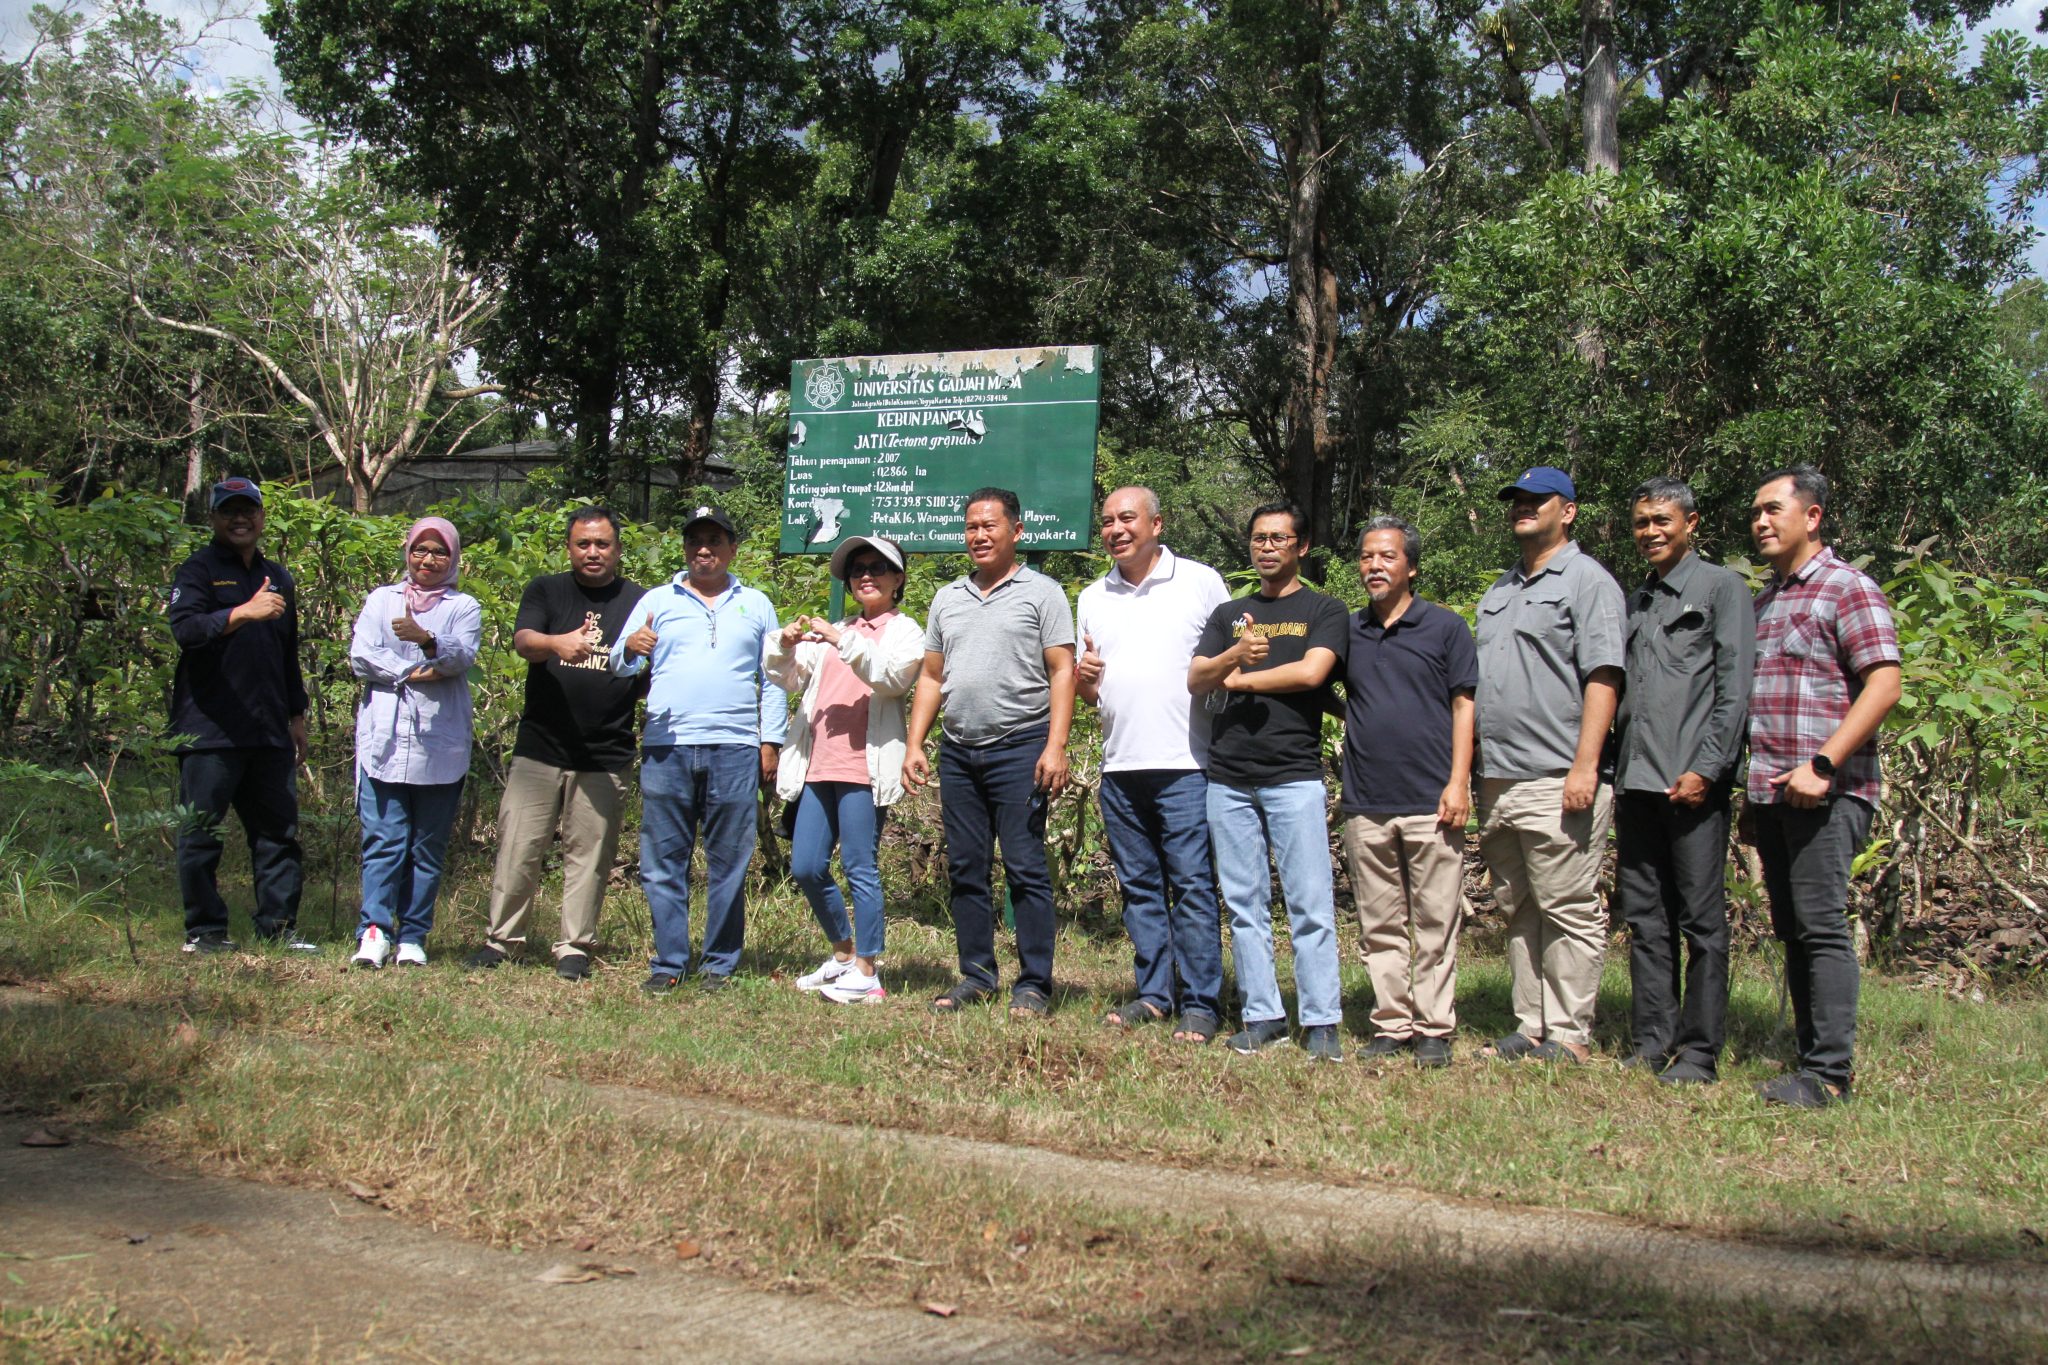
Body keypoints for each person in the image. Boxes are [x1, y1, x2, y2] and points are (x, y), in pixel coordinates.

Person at [1747, 465, 1901, 1108]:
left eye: (1773, 509)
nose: (1760, 521)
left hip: (1827, 792)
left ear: (1812, 517)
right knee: (1793, 926)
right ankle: (1810, 1060)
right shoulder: (1765, 602)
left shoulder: (1846, 589)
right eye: (1755, 512)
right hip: (1773, 793)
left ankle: (1830, 1073)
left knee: (1820, 926)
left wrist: (1825, 764)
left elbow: (1885, 683)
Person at [905, 488, 1076, 1019]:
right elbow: (933, 675)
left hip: (1021, 746)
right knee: (966, 868)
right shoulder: (947, 597)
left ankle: (1034, 984)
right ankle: (976, 975)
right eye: (971, 527)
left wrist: (1056, 745)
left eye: (990, 526)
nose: (979, 535)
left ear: (1016, 532)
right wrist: (916, 742)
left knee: (1026, 869)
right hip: (959, 751)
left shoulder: (1042, 593)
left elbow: (1062, 669)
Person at [1474, 466, 1626, 1064]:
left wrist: (1586, 765)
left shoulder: (1588, 582)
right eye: (1516, 500)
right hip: (1499, 779)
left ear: (1568, 511)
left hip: (1558, 775)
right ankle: (1530, 1023)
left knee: (1567, 905)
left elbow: (1604, 675)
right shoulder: (1500, 591)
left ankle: (1569, 1033)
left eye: (1537, 500)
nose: (1523, 508)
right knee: (1519, 906)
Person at [1188, 501, 1348, 1062]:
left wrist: (1242, 678)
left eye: (1279, 538)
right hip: (1228, 778)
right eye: (1259, 538)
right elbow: (1196, 677)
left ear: (1301, 547)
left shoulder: (1326, 609)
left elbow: (1313, 672)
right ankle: (1262, 1013)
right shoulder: (1230, 613)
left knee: (1309, 904)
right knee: (1243, 903)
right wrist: (1233, 654)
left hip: (1292, 776)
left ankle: (1322, 1019)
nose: (1267, 547)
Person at [1076, 487, 1231, 1042]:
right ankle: (1155, 994)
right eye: (1108, 521)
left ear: (1157, 523)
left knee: (1191, 885)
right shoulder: (1092, 596)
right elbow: (1091, 691)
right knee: (1139, 887)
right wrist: (1086, 682)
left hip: (1186, 762)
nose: (1116, 529)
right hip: (1120, 765)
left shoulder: (1201, 582)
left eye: (1128, 518)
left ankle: (1201, 1002)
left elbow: (1226, 666)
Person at [1614, 477, 1755, 1084]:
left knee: (1701, 923)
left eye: (1662, 520)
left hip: (1692, 785)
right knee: (1645, 920)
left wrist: (1708, 769)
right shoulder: (1637, 599)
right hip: (1635, 782)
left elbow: (1734, 690)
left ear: (1691, 524)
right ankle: (1653, 1038)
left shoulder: (1722, 588)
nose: (1650, 532)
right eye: (1642, 521)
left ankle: (1699, 1052)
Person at [466, 507, 647, 981]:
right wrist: (557, 643)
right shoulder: (546, 589)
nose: (593, 552)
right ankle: (503, 940)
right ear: (569, 548)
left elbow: (654, 665)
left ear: (618, 550)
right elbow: (524, 640)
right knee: (518, 846)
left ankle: (574, 946)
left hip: (606, 751)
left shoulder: (640, 601)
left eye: (602, 544)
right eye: (583, 544)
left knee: (590, 854)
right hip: (541, 746)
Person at [613, 505, 785, 993]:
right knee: (663, 858)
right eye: (695, 541)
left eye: (714, 540)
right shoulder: (656, 601)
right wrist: (630, 648)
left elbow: (773, 678)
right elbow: (618, 665)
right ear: (685, 548)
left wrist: (769, 741)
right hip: (667, 746)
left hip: (734, 747)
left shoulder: (756, 603)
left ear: (733, 548)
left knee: (729, 859)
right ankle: (669, 962)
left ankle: (719, 964)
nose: (703, 549)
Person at [1337, 516, 1477, 1068]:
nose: (1375, 565)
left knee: (1437, 921)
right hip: (1367, 800)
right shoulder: (1348, 629)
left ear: (1411, 566)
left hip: (1432, 798)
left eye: (1387, 556)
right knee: (1379, 923)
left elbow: (1464, 705)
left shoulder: (1445, 628)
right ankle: (1392, 1024)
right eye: (1367, 556)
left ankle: (1435, 1027)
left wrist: (1458, 781)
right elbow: (1321, 682)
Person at [765, 534, 926, 1005]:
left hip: (865, 767)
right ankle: (841, 956)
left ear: (898, 579)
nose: (866, 575)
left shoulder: (905, 631)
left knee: (860, 866)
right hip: (818, 765)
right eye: (858, 569)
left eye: (878, 568)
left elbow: (892, 679)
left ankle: (868, 972)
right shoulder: (837, 629)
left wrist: (844, 639)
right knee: (807, 866)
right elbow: (786, 677)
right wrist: (786, 642)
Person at [166, 477, 310, 955]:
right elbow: (185, 631)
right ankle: (204, 932)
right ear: (213, 518)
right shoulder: (198, 571)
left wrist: (297, 714)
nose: (240, 519)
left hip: (268, 730)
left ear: (262, 517)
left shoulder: (278, 576)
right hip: (209, 730)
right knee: (202, 834)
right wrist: (242, 613)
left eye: (249, 509)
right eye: (229, 511)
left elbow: (286, 652)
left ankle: (279, 928)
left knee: (278, 835)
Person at [346, 517, 483, 968]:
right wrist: (413, 668)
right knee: (384, 839)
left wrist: (427, 640)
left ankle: (414, 936)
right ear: (407, 553)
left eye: (439, 552)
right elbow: (362, 655)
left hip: (438, 744)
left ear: (453, 557)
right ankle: (375, 931)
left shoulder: (464, 607)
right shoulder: (381, 600)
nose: (428, 560)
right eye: (420, 550)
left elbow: (461, 655)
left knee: (427, 846)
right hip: (383, 738)